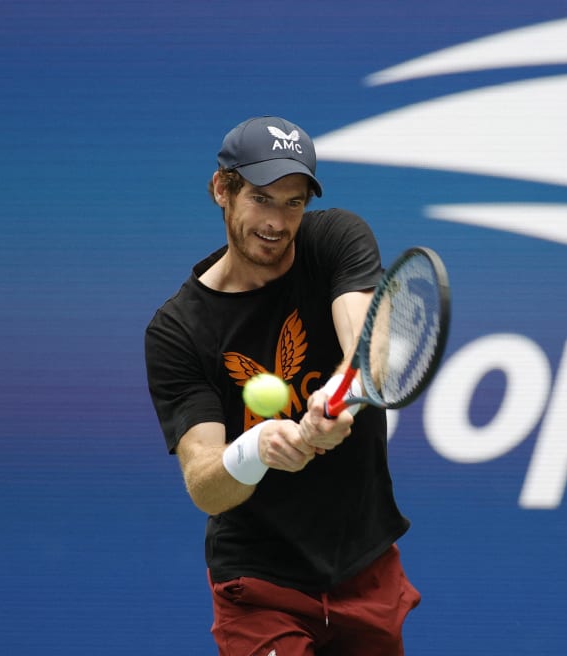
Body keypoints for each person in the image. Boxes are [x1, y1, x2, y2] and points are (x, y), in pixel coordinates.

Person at [144, 115, 420, 655]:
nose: (277, 220)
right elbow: (205, 484)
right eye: (262, 198)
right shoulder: (178, 331)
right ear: (222, 189)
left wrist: (340, 394)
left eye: (293, 202)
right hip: (260, 583)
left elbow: (370, 353)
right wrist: (258, 448)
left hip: (363, 564)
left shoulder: (336, 239)